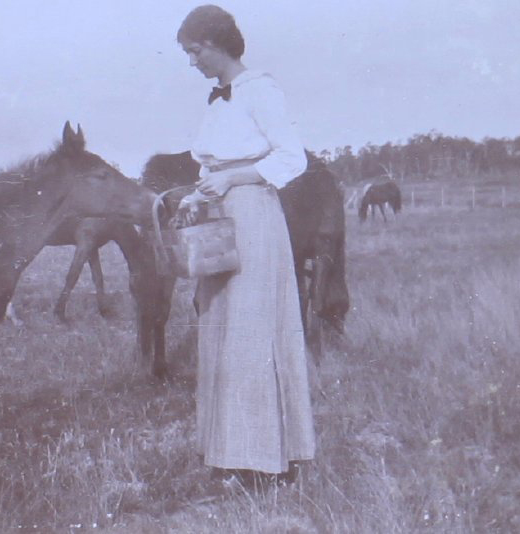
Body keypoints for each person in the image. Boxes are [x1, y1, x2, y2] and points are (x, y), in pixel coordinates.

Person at [175, 4, 316, 477]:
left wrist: (235, 178)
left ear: (215, 45)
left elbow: (292, 158)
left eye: (194, 52)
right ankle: (230, 454)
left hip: (254, 215)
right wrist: (198, 195)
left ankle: (265, 461)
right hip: (219, 217)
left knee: (252, 331)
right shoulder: (217, 100)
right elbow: (212, 167)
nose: (191, 63)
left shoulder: (261, 91)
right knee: (219, 329)